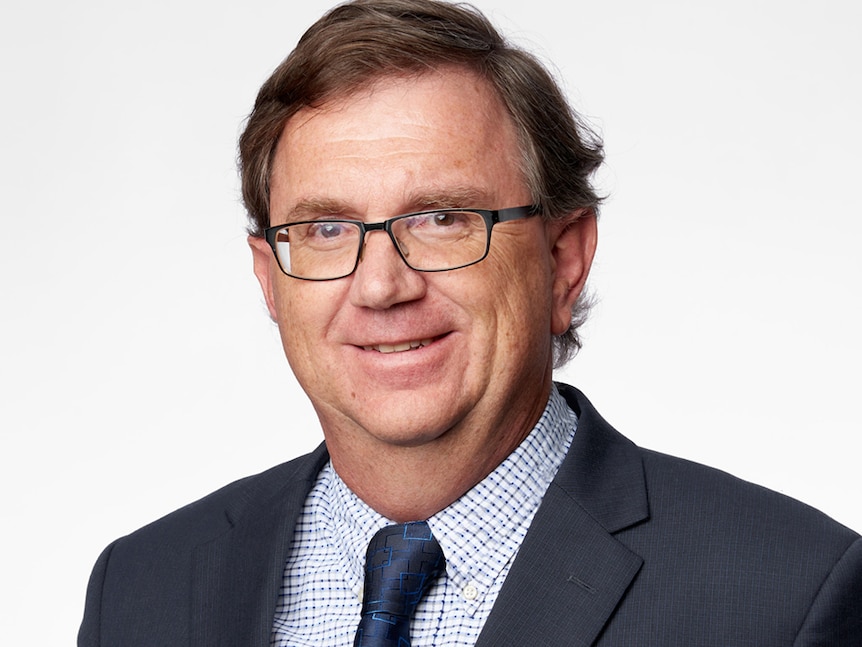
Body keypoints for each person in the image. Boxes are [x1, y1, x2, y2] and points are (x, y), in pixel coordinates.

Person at [78, 0, 861, 645]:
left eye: (442, 218)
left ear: (563, 259)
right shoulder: (142, 591)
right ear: (269, 279)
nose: (381, 285)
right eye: (324, 229)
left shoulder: (784, 597)